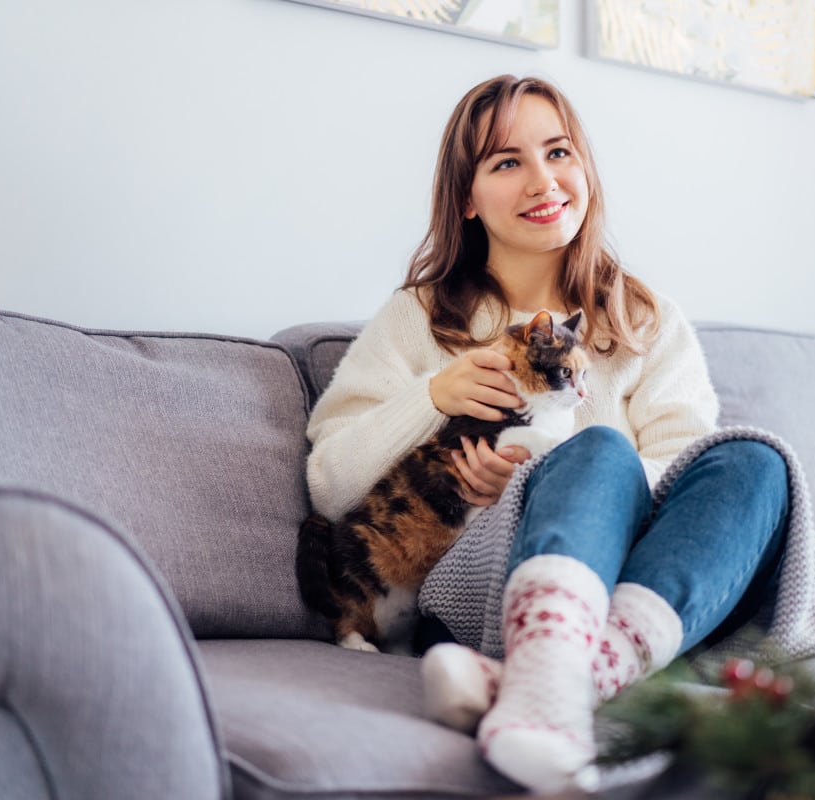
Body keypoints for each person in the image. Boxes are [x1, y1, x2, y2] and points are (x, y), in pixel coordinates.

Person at [305, 75, 790, 793]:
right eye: (507, 162)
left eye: (559, 151)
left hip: (642, 584)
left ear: (584, 166)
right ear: (467, 199)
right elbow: (329, 483)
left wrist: (540, 480)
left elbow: (688, 474)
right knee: (598, 449)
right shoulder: (420, 317)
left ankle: (553, 684)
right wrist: (432, 395)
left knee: (754, 461)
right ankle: (556, 671)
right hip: (485, 586)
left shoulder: (645, 320)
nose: (544, 180)